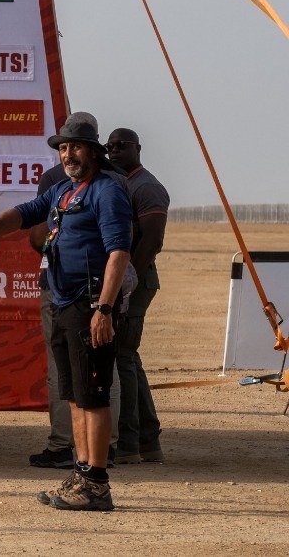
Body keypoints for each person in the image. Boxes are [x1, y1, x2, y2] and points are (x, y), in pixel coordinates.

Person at [0, 111, 132, 512]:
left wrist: (104, 310)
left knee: (93, 395)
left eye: (75, 147)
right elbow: (27, 211)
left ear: (93, 151)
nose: (67, 154)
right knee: (75, 395)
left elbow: (119, 253)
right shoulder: (63, 189)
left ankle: (97, 485)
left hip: (89, 303)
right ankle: (81, 472)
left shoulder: (107, 191)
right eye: (63, 148)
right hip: (63, 302)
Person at [106, 127, 170, 463]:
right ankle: (148, 440)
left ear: (138, 149)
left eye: (122, 146)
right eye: (110, 146)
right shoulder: (120, 183)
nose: (114, 151)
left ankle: (128, 443)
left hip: (136, 282)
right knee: (129, 357)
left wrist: (126, 279)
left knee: (122, 357)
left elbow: (152, 241)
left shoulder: (146, 187)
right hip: (125, 280)